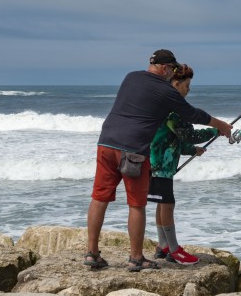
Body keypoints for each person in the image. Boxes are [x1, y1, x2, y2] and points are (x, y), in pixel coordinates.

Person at [85, 49, 232, 272]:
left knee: (99, 197)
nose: (172, 73)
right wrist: (219, 125)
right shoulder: (165, 89)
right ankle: (136, 258)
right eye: (172, 69)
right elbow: (192, 114)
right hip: (133, 149)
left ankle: (92, 254)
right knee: (137, 204)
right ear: (164, 68)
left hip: (106, 142)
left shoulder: (131, 77)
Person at [148, 64, 218, 265]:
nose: (188, 90)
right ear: (176, 83)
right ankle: (174, 249)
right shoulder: (173, 110)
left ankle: (163, 246)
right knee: (168, 204)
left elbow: (171, 137)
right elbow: (188, 134)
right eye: (187, 86)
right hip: (160, 163)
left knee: (162, 202)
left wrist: (190, 150)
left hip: (155, 161)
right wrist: (216, 131)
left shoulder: (162, 105)